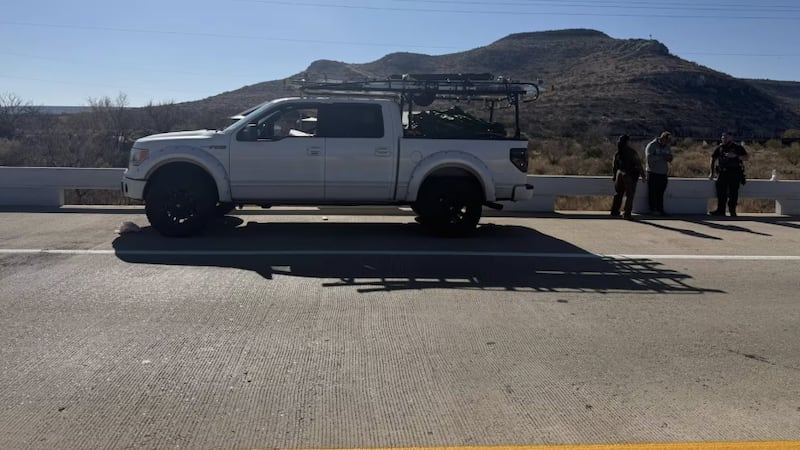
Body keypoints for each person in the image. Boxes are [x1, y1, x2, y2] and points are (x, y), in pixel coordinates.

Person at [708, 132, 748, 217]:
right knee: (721, 193)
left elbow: (746, 157)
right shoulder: (720, 148)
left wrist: (736, 156)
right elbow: (713, 158)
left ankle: (732, 211)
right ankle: (720, 210)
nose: (724, 139)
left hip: (735, 173)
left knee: (733, 193)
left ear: (731, 138)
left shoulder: (738, 147)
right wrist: (712, 172)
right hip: (723, 172)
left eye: (726, 137)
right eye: (722, 137)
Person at [611, 134, 647, 220]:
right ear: (627, 142)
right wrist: (643, 176)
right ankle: (627, 214)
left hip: (619, 174)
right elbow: (638, 164)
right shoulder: (632, 152)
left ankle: (614, 211)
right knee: (629, 195)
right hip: (629, 174)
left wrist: (614, 176)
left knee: (618, 193)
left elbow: (614, 166)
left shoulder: (618, 153)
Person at [645, 131, 674, 216]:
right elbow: (649, 158)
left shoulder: (667, 147)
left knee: (660, 193)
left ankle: (660, 209)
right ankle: (652, 209)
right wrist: (661, 157)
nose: (667, 143)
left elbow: (670, 157)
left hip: (663, 173)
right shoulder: (652, 145)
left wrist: (669, 157)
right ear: (662, 138)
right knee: (652, 192)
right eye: (667, 140)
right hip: (653, 172)